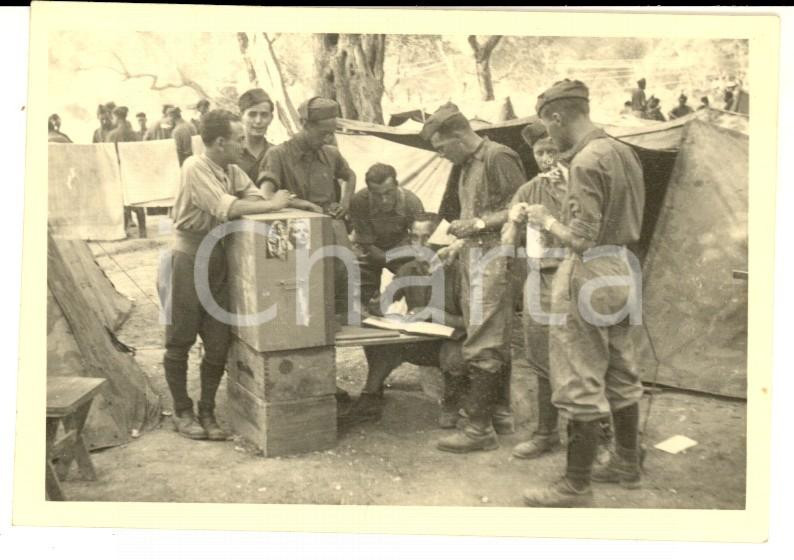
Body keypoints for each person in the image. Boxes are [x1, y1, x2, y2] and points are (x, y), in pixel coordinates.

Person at [520, 79, 645, 507]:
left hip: (589, 272)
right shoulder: (622, 150)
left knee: (579, 379)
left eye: (548, 127)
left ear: (557, 116)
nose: (549, 138)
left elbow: (581, 237)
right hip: (625, 266)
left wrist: (542, 218)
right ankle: (627, 462)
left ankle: (575, 485)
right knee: (623, 371)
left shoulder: (587, 161)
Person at [159, 109, 294, 441]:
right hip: (187, 255)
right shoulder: (194, 167)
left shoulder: (231, 169)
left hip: (218, 255)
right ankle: (182, 411)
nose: (243, 143)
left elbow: (252, 198)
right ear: (220, 142)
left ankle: (207, 410)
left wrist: (268, 203)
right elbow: (231, 207)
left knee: (218, 340)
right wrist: (272, 205)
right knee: (180, 338)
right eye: (238, 138)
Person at [421, 102, 526, 453]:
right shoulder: (466, 165)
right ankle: (498, 414)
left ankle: (479, 429)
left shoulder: (499, 157)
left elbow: (519, 209)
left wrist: (479, 225)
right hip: (474, 258)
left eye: (441, 147)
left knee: (484, 339)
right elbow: (473, 215)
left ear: (458, 135)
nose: (440, 155)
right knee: (487, 335)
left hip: (497, 259)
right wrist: (455, 247)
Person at [339, 213, 468, 429]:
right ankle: (371, 396)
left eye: (426, 238)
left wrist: (432, 313)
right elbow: (381, 304)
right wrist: (381, 308)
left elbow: (473, 323)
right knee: (378, 338)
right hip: (420, 341)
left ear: (442, 239)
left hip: (453, 341)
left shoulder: (458, 273)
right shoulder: (408, 269)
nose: (420, 245)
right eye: (415, 238)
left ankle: (451, 404)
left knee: (454, 354)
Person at [500, 121, 568, 460]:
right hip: (540, 277)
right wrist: (513, 220)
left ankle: (599, 430)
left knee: (582, 354)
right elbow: (508, 237)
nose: (546, 159)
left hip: (576, 278)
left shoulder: (579, 183)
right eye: (540, 153)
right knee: (540, 355)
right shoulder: (528, 189)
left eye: (552, 151)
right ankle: (546, 432)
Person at [258, 96, 358, 318]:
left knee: (342, 270)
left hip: (329, 222)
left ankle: (337, 320)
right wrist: (300, 203)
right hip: (294, 227)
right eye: (323, 132)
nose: (328, 138)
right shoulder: (278, 155)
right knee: (300, 282)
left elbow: (349, 175)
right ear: (305, 125)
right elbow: (266, 194)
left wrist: (345, 203)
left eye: (332, 132)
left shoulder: (330, 153)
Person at [350, 163, 425, 305]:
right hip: (370, 248)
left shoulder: (412, 202)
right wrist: (378, 256)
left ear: (396, 185)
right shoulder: (359, 201)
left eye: (388, 193)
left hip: (401, 250)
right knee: (357, 276)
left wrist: (390, 256)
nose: (384, 200)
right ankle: (367, 307)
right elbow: (364, 240)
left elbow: (419, 241)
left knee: (415, 274)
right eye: (377, 195)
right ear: (369, 190)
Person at [237, 88, 274, 183]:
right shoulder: (231, 153)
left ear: (271, 118)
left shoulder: (277, 154)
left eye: (264, 115)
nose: (258, 121)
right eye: (252, 114)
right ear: (241, 117)